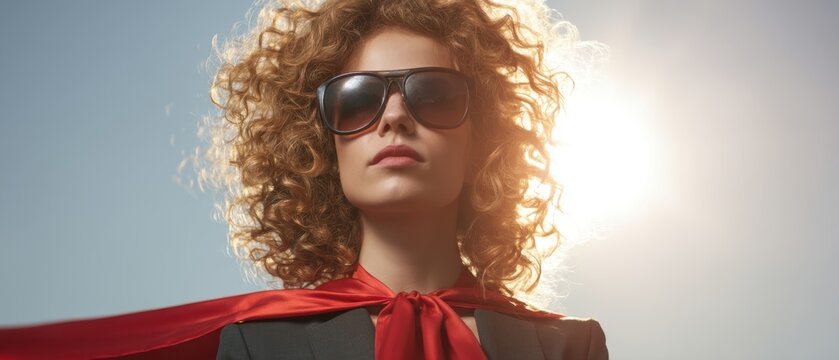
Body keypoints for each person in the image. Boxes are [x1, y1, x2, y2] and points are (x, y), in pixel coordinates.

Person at [208, 0, 608, 359]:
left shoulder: (570, 347)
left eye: (434, 95)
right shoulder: (258, 347)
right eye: (358, 99)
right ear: (323, 150)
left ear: (483, 143)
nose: (395, 116)